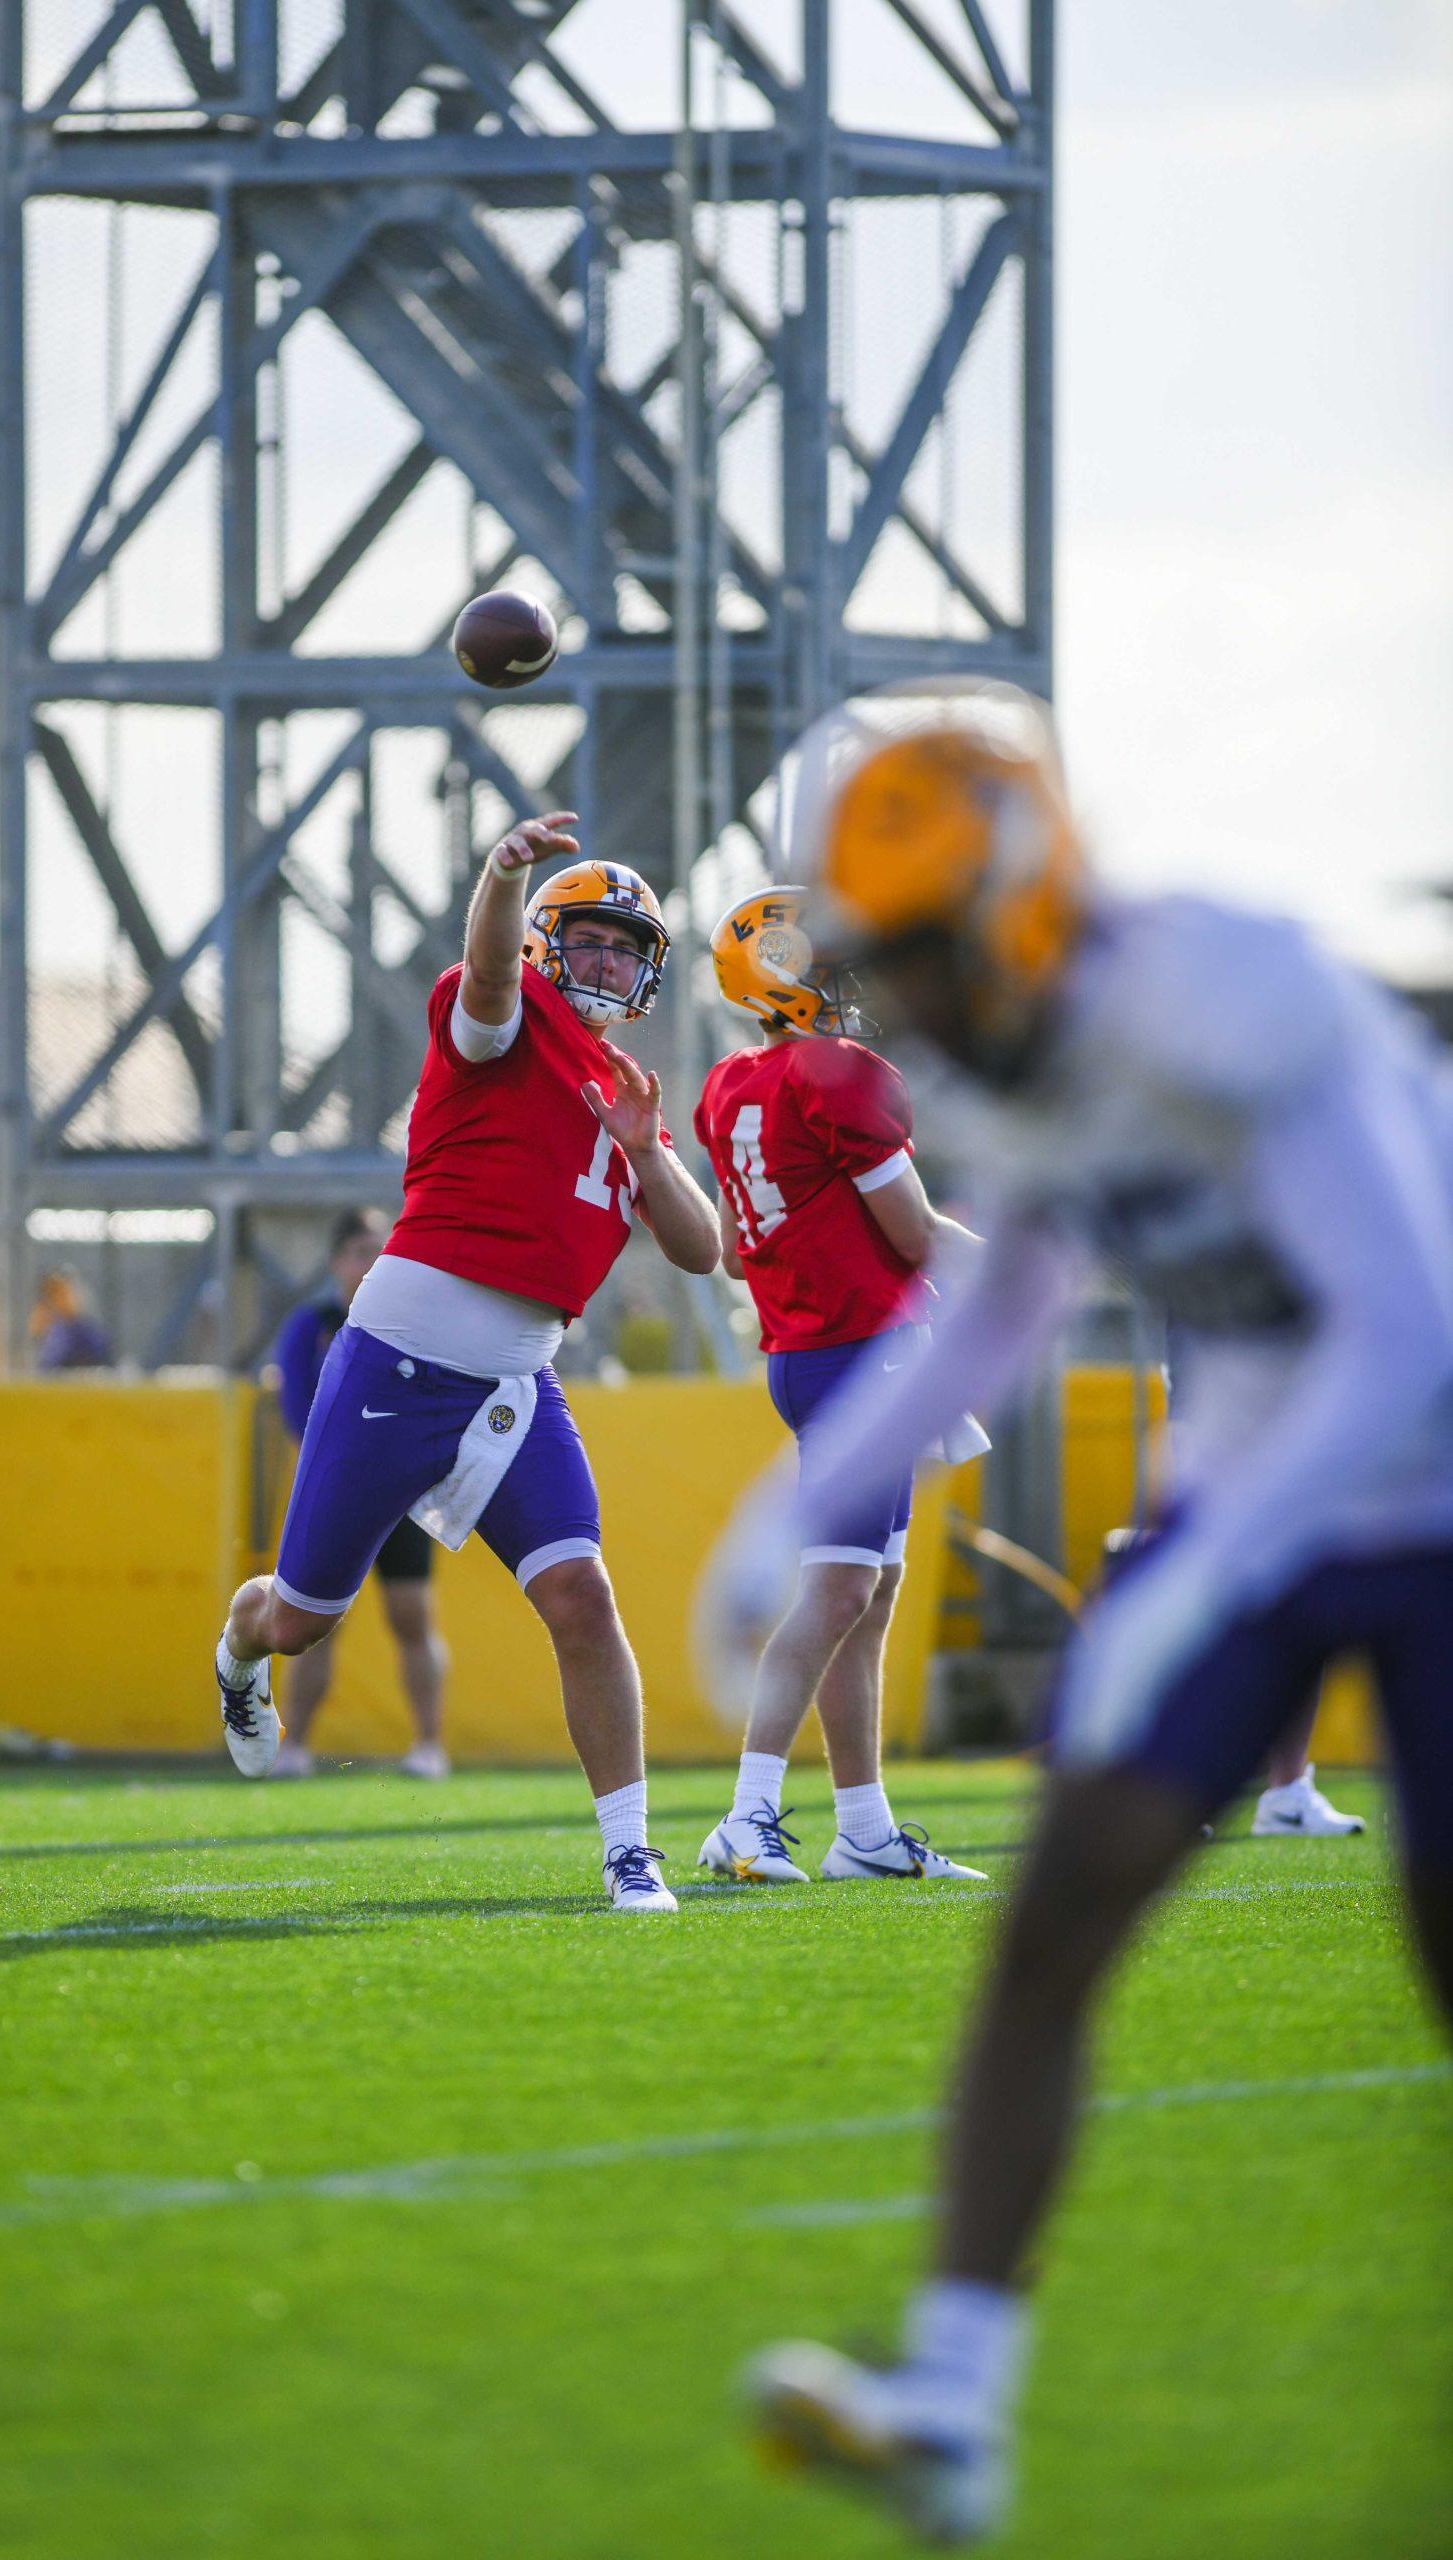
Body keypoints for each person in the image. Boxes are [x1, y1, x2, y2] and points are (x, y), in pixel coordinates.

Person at [709, 684, 1453, 2540]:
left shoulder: (1232, 997)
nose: (934, 1003)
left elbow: (1404, 1327)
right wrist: (780, 1510)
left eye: (937, 956)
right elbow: (998, 1301)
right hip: (1266, 1464)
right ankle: (954, 2406)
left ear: (1026, 896)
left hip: (1431, 1478)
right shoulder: (1022, 1045)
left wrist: (1201, 1572)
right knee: (1056, 1909)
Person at [213, 813, 722, 1913]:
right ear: (548, 944)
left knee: (584, 1600)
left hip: (514, 1387)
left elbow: (700, 1247)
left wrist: (645, 1150)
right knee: (304, 1619)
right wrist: (501, 873)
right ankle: (240, 1647)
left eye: (626, 951)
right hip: (396, 1361)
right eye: (587, 941)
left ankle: (631, 1851)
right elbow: (490, 970)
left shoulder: (625, 1084)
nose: (607, 964)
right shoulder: (508, 1012)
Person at [691, 884, 986, 1885]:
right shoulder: (843, 1074)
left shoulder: (731, 1083)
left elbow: (735, 1255)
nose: (852, 986)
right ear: (785, 976)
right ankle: (747, 1814)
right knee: (840, 1589)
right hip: (862, 1355)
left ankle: (862, 1827)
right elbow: (915, 1235)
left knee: (869, 1588)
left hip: (804, 1353)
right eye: (831, 966)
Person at [268, 1208, 449, 1780]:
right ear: (336, 1262)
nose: (371, 1264)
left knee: (411, 1616)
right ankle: (294, 1746)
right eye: (360, 1252)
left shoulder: (415, 1324)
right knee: (309, 1624)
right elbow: (297, 1407)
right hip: (335, 1492)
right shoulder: (312, 1325)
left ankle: (429, 1745)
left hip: (405, 1499)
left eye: (382, 1250)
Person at [30, 1267, 111, 1370]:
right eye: (53, 1294)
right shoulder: (46, 1324)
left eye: (63, 1293)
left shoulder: (84, 1333)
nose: (61, 1299)